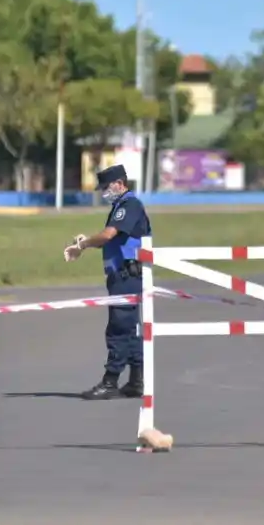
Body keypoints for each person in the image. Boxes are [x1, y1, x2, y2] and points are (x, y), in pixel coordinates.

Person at [63, 164, 152, 400]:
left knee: (118, 329)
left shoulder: (129, 205)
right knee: (130, 329)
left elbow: (108, 235)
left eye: (105, 186)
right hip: (123, 275)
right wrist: (87, 240)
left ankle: (110, 381)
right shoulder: (120, 206)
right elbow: (107, 239)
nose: (103, 191)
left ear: (120, 184)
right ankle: (137, 380)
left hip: (126, 275)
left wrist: (82, 245)